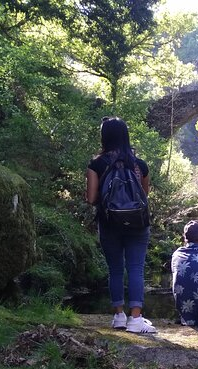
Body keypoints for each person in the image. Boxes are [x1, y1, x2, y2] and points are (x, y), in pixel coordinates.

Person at [85, 117, 156, 333]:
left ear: (104, 137)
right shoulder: (139, 165)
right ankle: (136, 318)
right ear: (126, 136)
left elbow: (91, 199)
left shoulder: (96, 164)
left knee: (115, 269)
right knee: (135, 268)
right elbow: (144, 196)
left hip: (109, 222)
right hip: (137, 223)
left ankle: (119, 316)